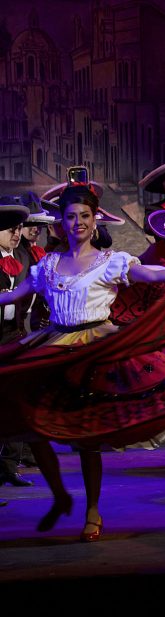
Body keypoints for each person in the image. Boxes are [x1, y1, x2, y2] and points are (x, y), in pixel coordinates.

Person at [0, 186, 165, 541]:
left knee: (86, 438)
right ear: (61, 223)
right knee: (34, 425)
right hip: (54, 347)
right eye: (71, 217)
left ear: (94, 218)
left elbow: (148, 274)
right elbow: (13, 295)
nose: (78, 223)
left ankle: (91, 511)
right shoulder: (48, 265)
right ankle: (59, 497)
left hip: (94, 349)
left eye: (84, 216)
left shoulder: (110, 261)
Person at [0, 201, 35, 487]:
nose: (16, 232)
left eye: (19, 227)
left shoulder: (24, 255)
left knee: (19, 401)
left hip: (15, 335)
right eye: (10, 227)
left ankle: (9, 467)